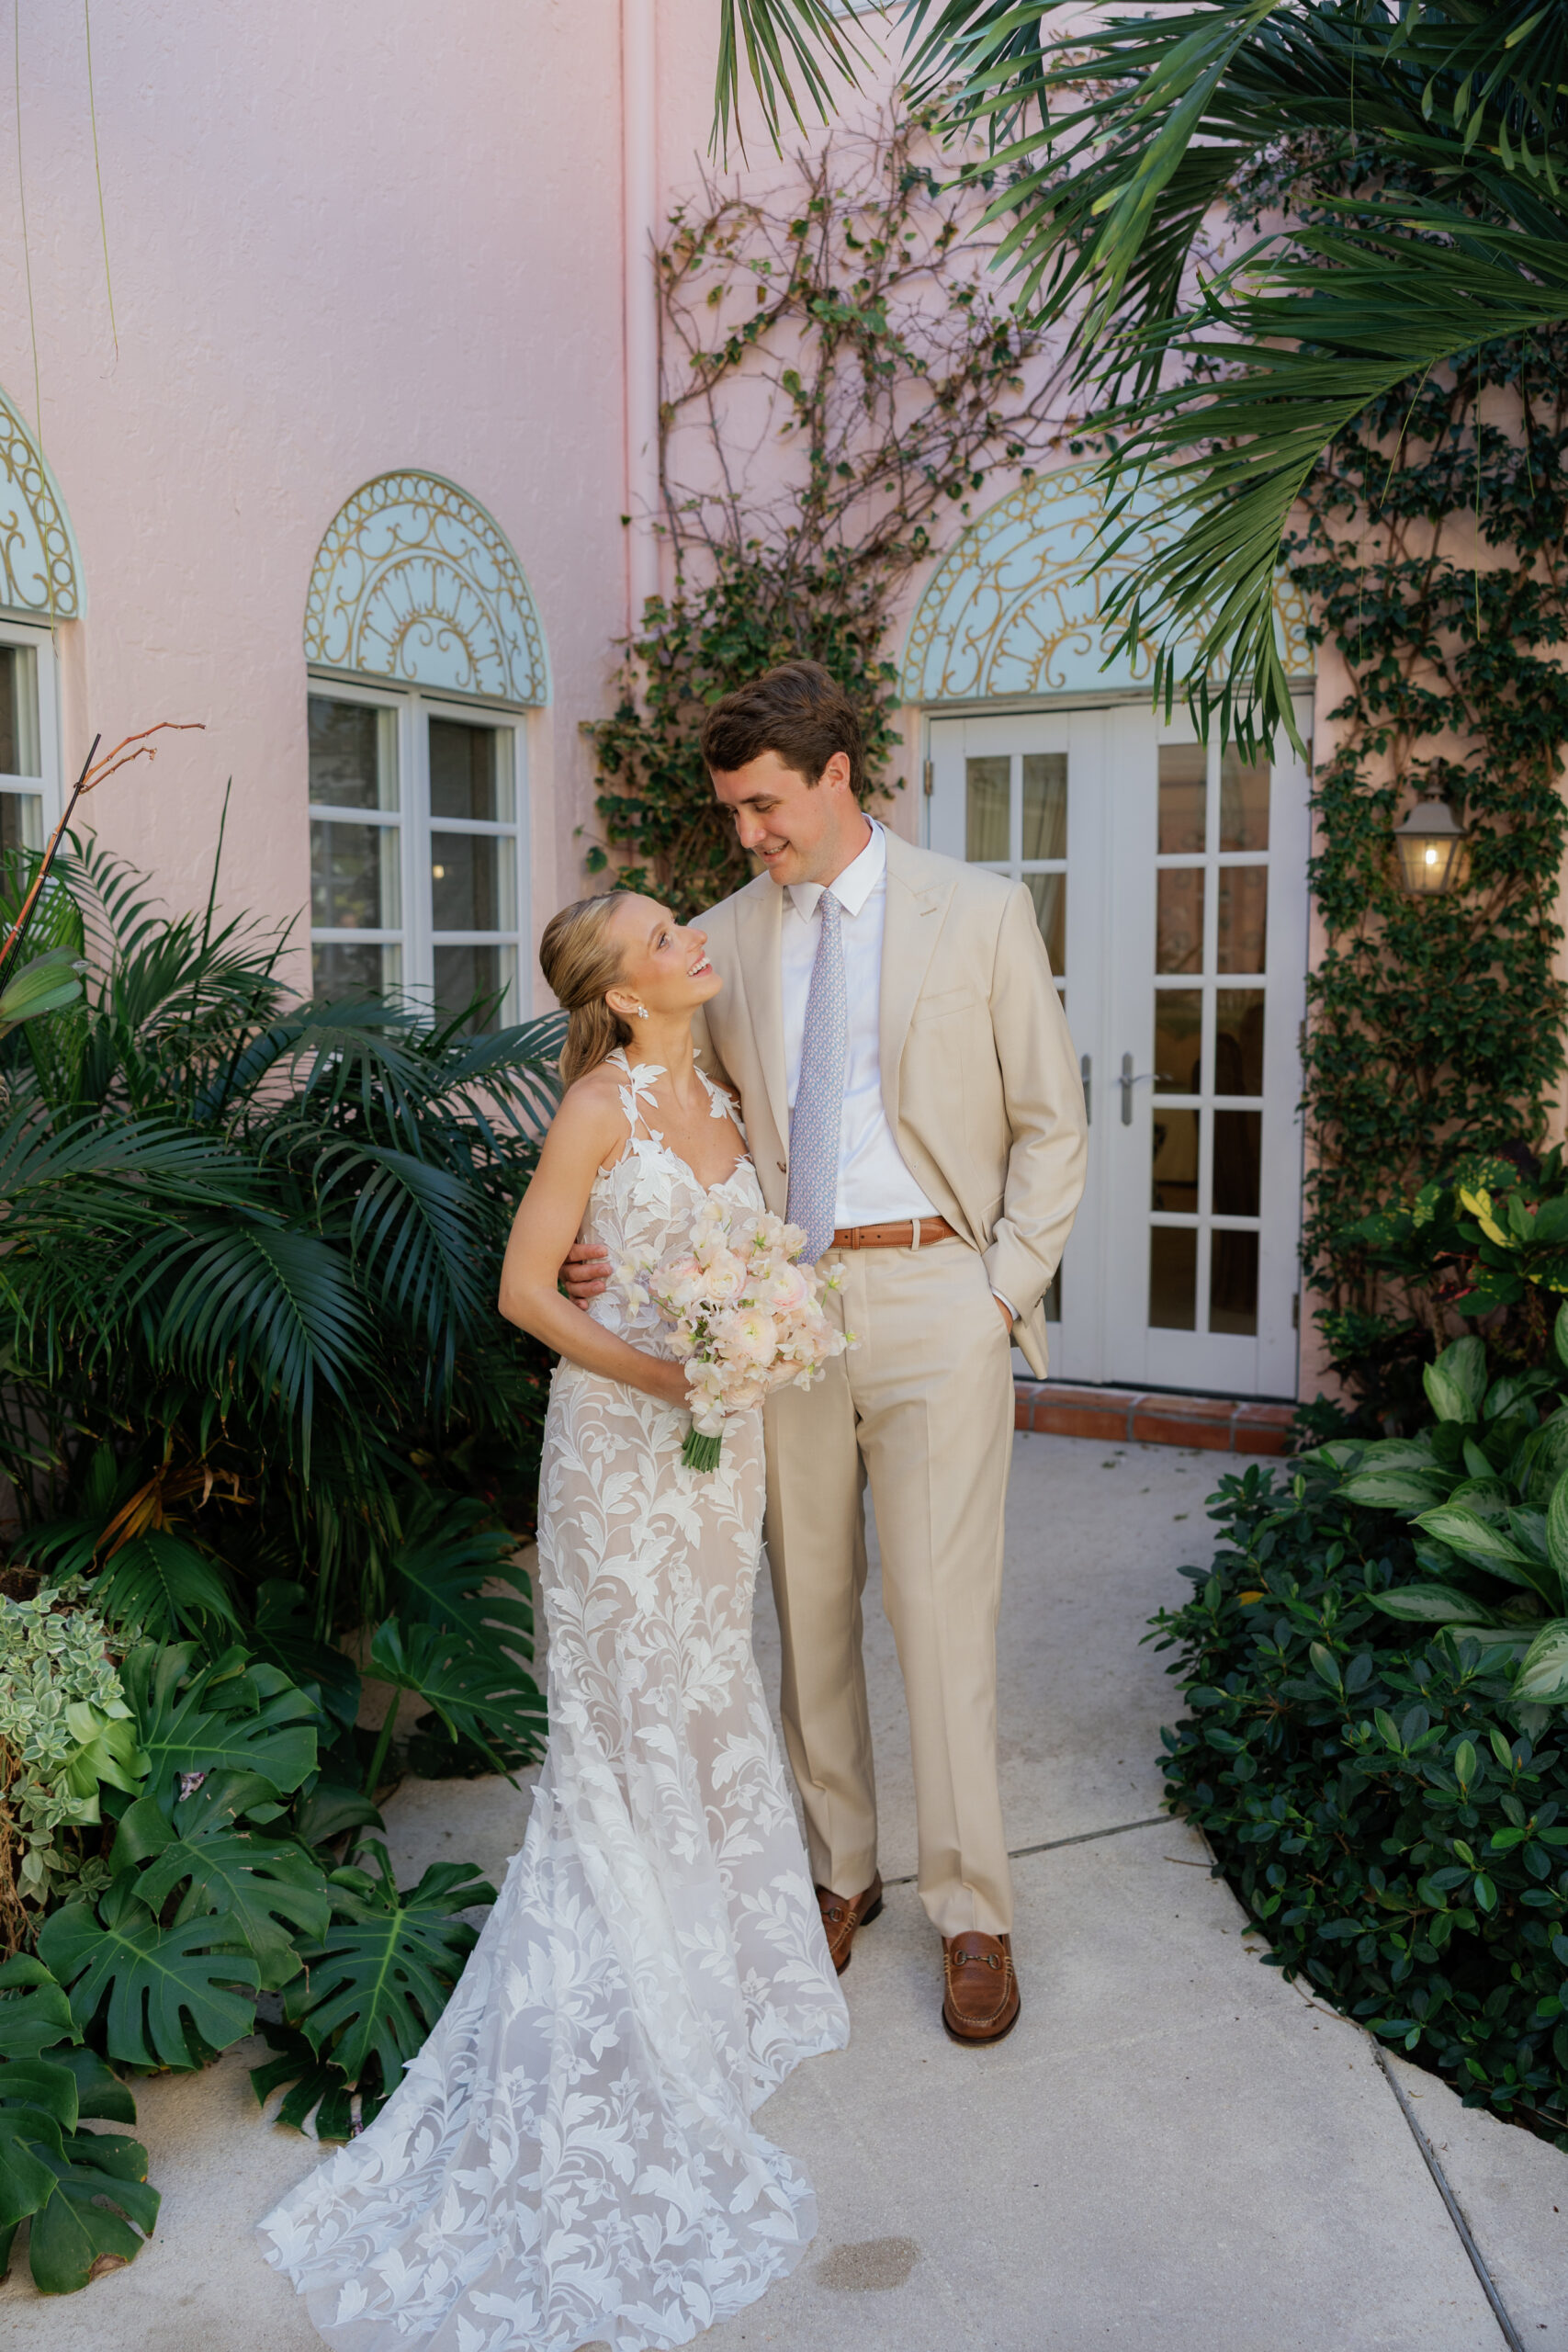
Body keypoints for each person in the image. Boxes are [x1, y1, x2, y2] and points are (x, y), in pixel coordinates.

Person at [258, 890, 849, 2352]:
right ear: (623, 991)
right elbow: (531, 1288)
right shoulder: (596, 1105)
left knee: (708, 1684)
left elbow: (739, 1267)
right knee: (627, 1705)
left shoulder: (719, 1084)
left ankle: (710, 1959)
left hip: (723, 1453)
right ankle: (629, 1980)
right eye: (661, 935)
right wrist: (661, 1378)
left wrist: (758, 1333)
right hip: (622, 1447)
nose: (689, 938)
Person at [564, 661, 1086, 2047]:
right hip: (778, 1310)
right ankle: (835, 1872)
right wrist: (601, 1242)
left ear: (838, 771)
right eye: (734, 813)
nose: (748, 836)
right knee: (805, 1610)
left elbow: (1053, 1119)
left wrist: (999, 1291)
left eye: (766, 806)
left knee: (940, 1614)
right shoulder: (726, 937)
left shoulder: (977, 912)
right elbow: (677, 1115)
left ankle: (971, 1911)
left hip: (936, 1297)